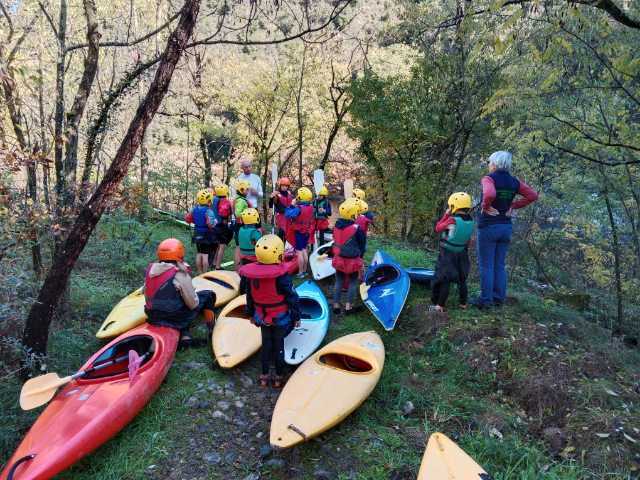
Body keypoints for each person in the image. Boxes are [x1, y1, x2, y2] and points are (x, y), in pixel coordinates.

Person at [472, 151, 539, 309]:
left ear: (495, 164)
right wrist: (513, 206)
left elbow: (489, 193)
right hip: (505, 227)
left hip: (489, 226)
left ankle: (485, 301)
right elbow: (533, 195)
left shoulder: (489, 178)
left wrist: (486, 206)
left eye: (489, 162)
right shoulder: (514, 181)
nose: (489, 165)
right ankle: (498, 299)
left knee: (486, 265)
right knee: (499, 265)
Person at [239, 235, 300, 388]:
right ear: (278, 254)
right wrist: (297, 316)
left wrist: (250, 313)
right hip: (279, 316)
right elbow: (292, 297)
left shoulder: (252, 276)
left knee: (266, 344)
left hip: (261, 315)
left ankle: (264, 375)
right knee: (278, 344)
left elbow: (250, 296)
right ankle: (279, 376)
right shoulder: (281, 276)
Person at [144, 238, 215, 348]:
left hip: (152, 314)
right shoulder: (179, 273)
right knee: (208, 295)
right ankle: (212, 329)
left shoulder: (150, 270)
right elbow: (193, 304)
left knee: (180, 302)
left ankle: (185, 335)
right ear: (180, 254)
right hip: (173, 316)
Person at [429, 192, 474, 312]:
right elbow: (468, 239)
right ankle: (463, 304)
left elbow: (438, 228)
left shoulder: (452, 220)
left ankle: (439, 306)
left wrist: (445, 215)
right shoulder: (471, 221)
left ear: (454, 206)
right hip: (462, 254)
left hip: (448, 255)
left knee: (445, 279)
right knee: (462, 279)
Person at [331, 198, 366, 315]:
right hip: (352, 260)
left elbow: (335, 239)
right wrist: (361, 257)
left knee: (339, 280)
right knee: (352, 281)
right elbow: (362, 245)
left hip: (339, 258)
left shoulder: (336, 226)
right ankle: (348, 307)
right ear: (353, 214)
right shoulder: (357, 229)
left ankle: (336, 305)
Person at [285, 187, 315, 278]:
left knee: (299, 252)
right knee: (304, 250)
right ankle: (305, 271)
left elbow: (287, 214)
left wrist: (291, 205)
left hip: (299, 232)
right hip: (306, 232)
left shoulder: (299, 208)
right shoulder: (311, 207)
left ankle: (300, 272)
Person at [184, 189, 215, 274]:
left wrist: (196, 221)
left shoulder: (194, 209)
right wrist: (215, 222)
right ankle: (205, 273)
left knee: (199, 253)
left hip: (197, 232)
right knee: (205, 255)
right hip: (206, 234)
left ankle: (199, 272)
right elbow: (210, 224)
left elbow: (187, 219)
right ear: (209, 200)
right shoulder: (209, 211)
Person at [210, 184, 233, 270]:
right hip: (221, 226)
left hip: (213, 225)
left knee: (217, 245)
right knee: (222, 246)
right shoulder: (226, 201)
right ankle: (218, 266)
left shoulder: (213, 199)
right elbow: (228, 215)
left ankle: (214, 262)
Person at [233, 180, 251, 268]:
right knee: (239, 247)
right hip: (240, 226)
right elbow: (237, 213)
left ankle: (240, 267)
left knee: (240, 246)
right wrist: (248, 213)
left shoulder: (240, 200)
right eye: (247, 189)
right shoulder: (241, 201)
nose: (248, 191)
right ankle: (237, 268)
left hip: (240, 225)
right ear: (242, 190)